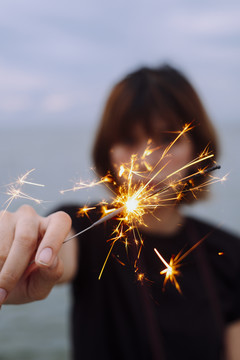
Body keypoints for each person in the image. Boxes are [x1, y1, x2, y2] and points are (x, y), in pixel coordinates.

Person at [0, 64, 239, 360]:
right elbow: (58, 243)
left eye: (168, 140)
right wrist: (23, 245)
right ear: (107, 152)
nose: (147, 161)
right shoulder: (84, 227)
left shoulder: (231, 254)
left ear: (198, 151)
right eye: (128, 140)